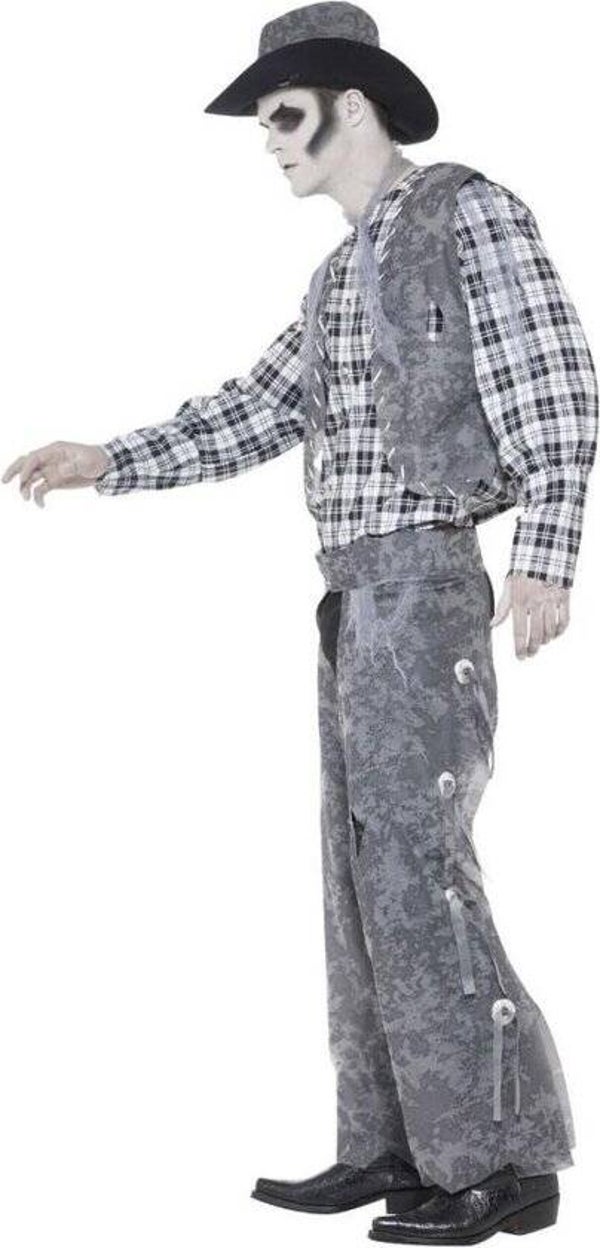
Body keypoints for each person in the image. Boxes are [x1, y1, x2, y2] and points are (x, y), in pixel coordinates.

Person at [3, 3, 598, 1242]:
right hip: (350, 597)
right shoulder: (336, 279)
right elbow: (257, 408)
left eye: (284, 114)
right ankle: (396, 1145)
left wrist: (544, 557)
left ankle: (504, 1160)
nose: (269, 140)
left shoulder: (469, 214)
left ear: (353, 104)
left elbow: (556, 385)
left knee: (422, 870)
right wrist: (109, 458)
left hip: (427, 586)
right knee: (360, 879)